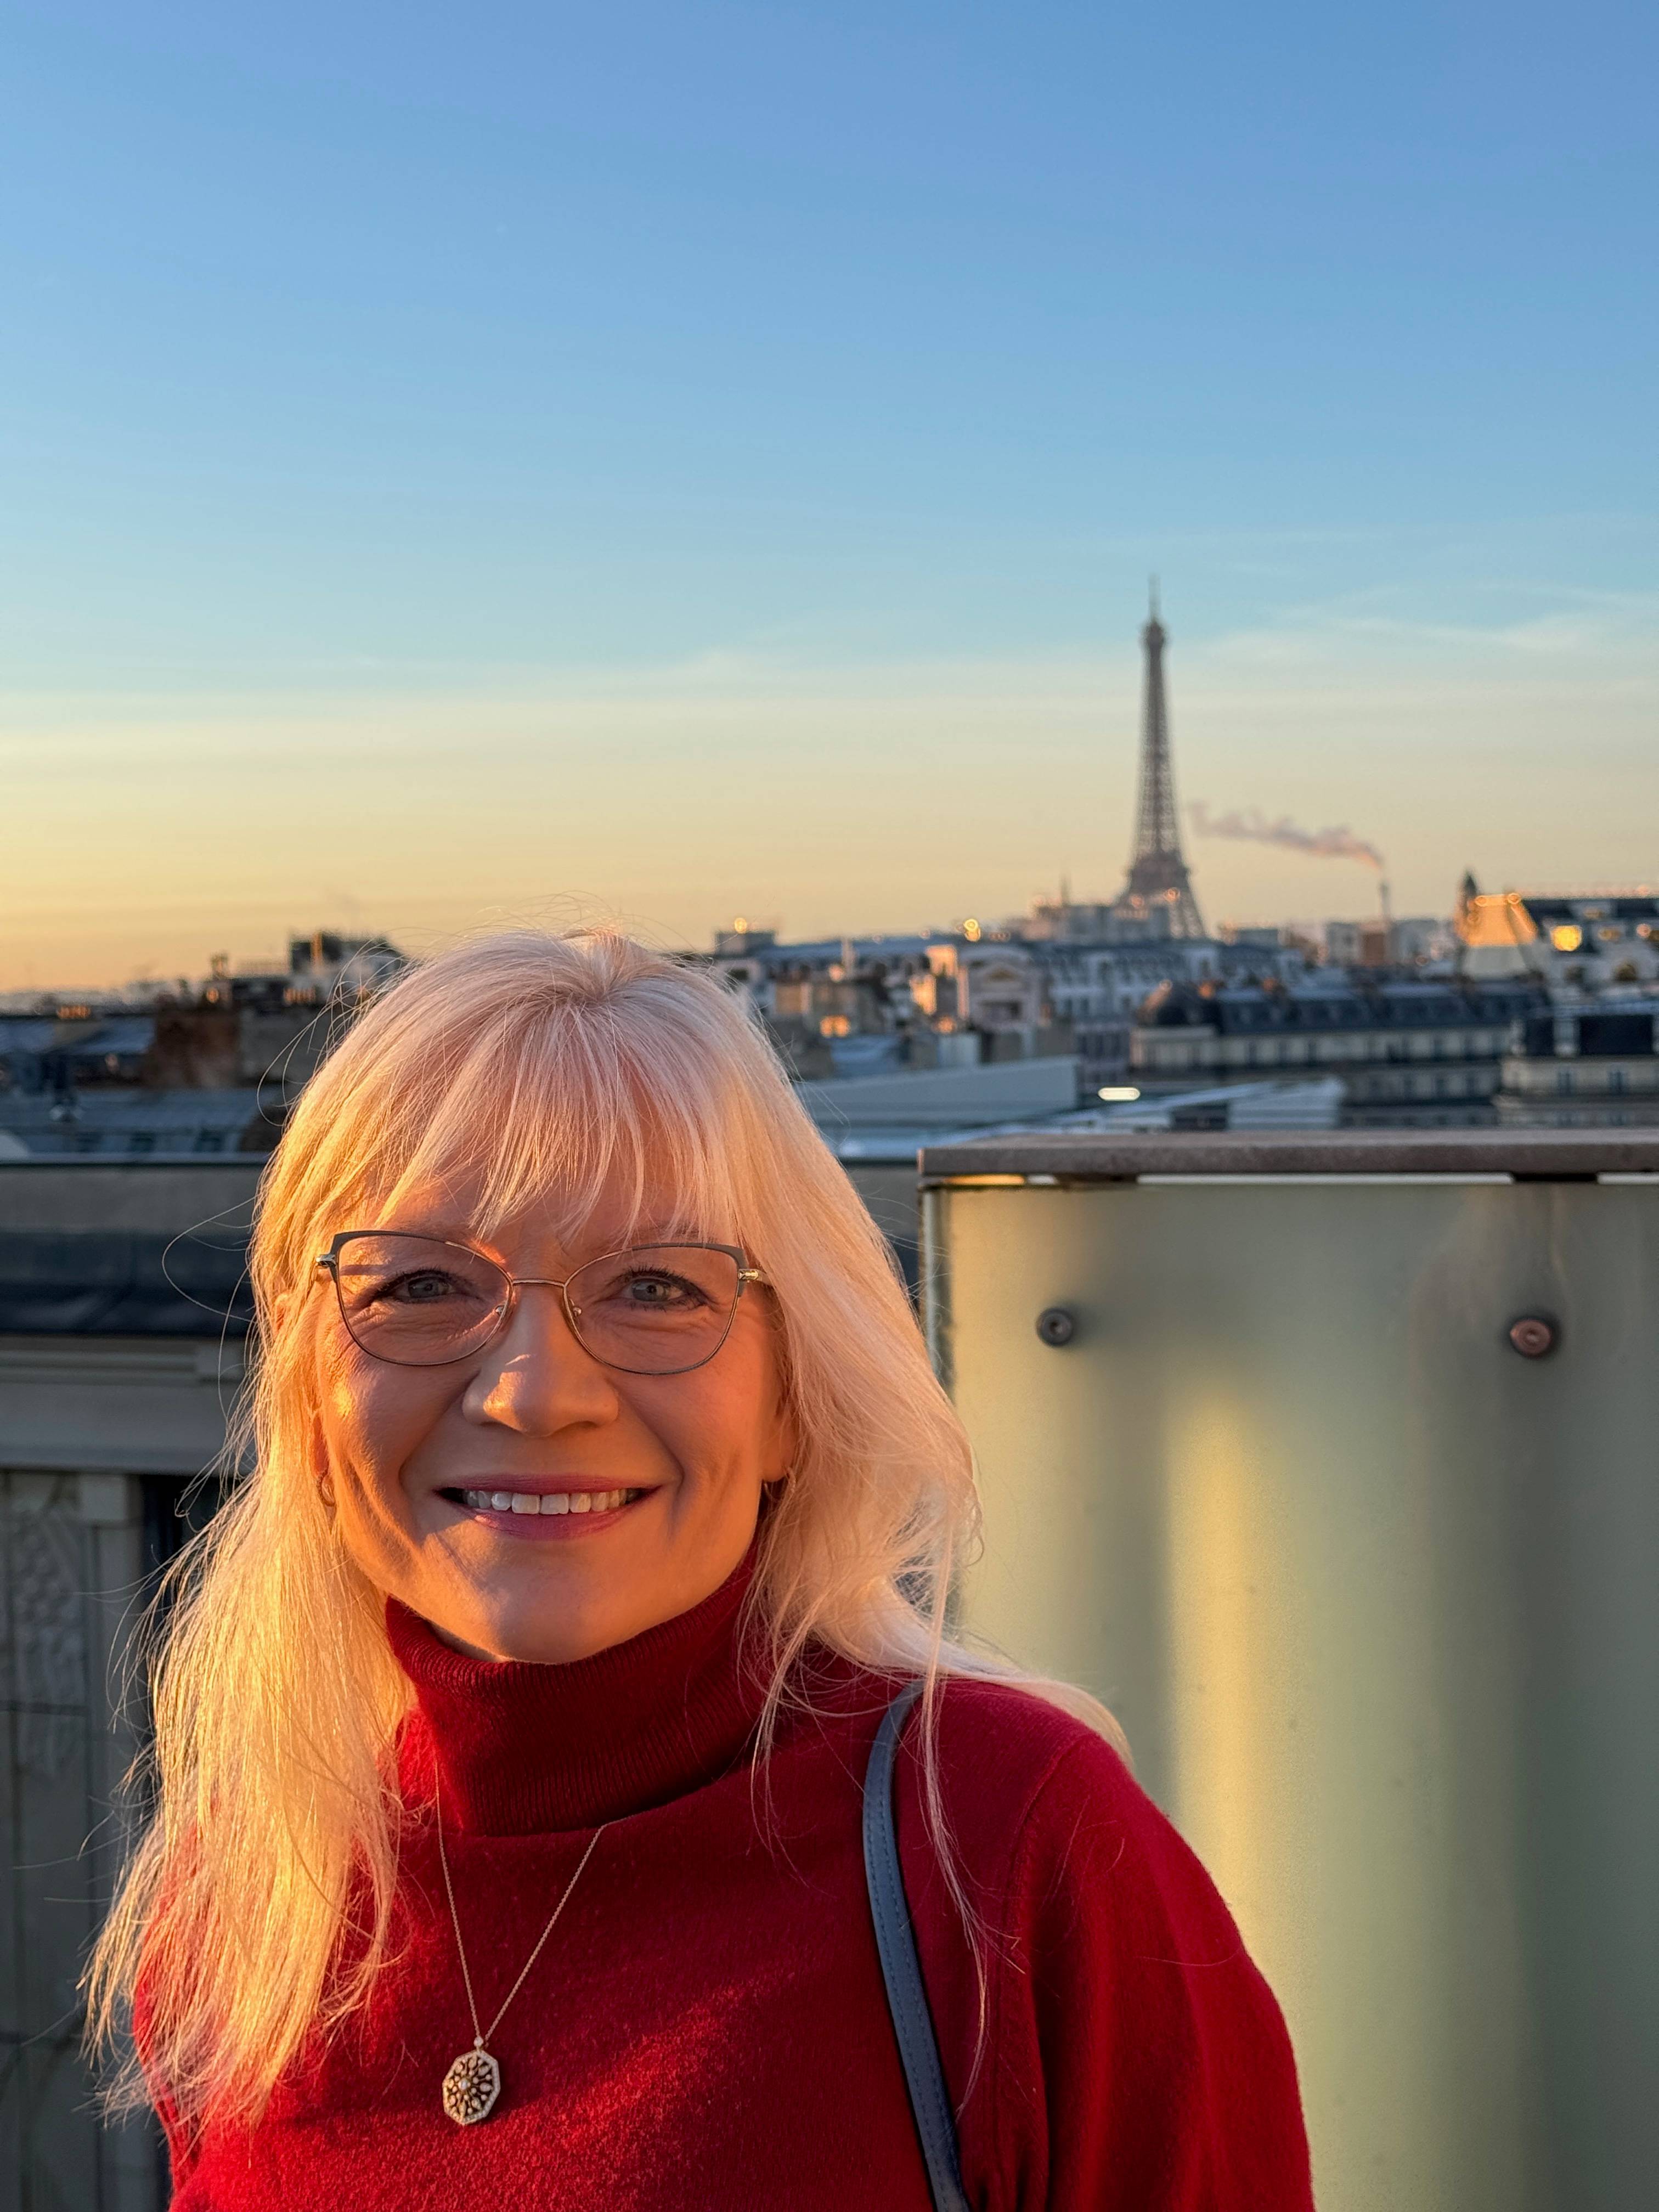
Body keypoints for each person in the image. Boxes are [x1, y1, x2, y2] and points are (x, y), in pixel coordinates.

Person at [87, 929, 1312, 2208]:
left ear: (794, 1395)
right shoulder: (249, 1885)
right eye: (424, 1285)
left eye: (657, 1289)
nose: (536, 1393)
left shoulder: (1012, 1852)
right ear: (304, 1389)